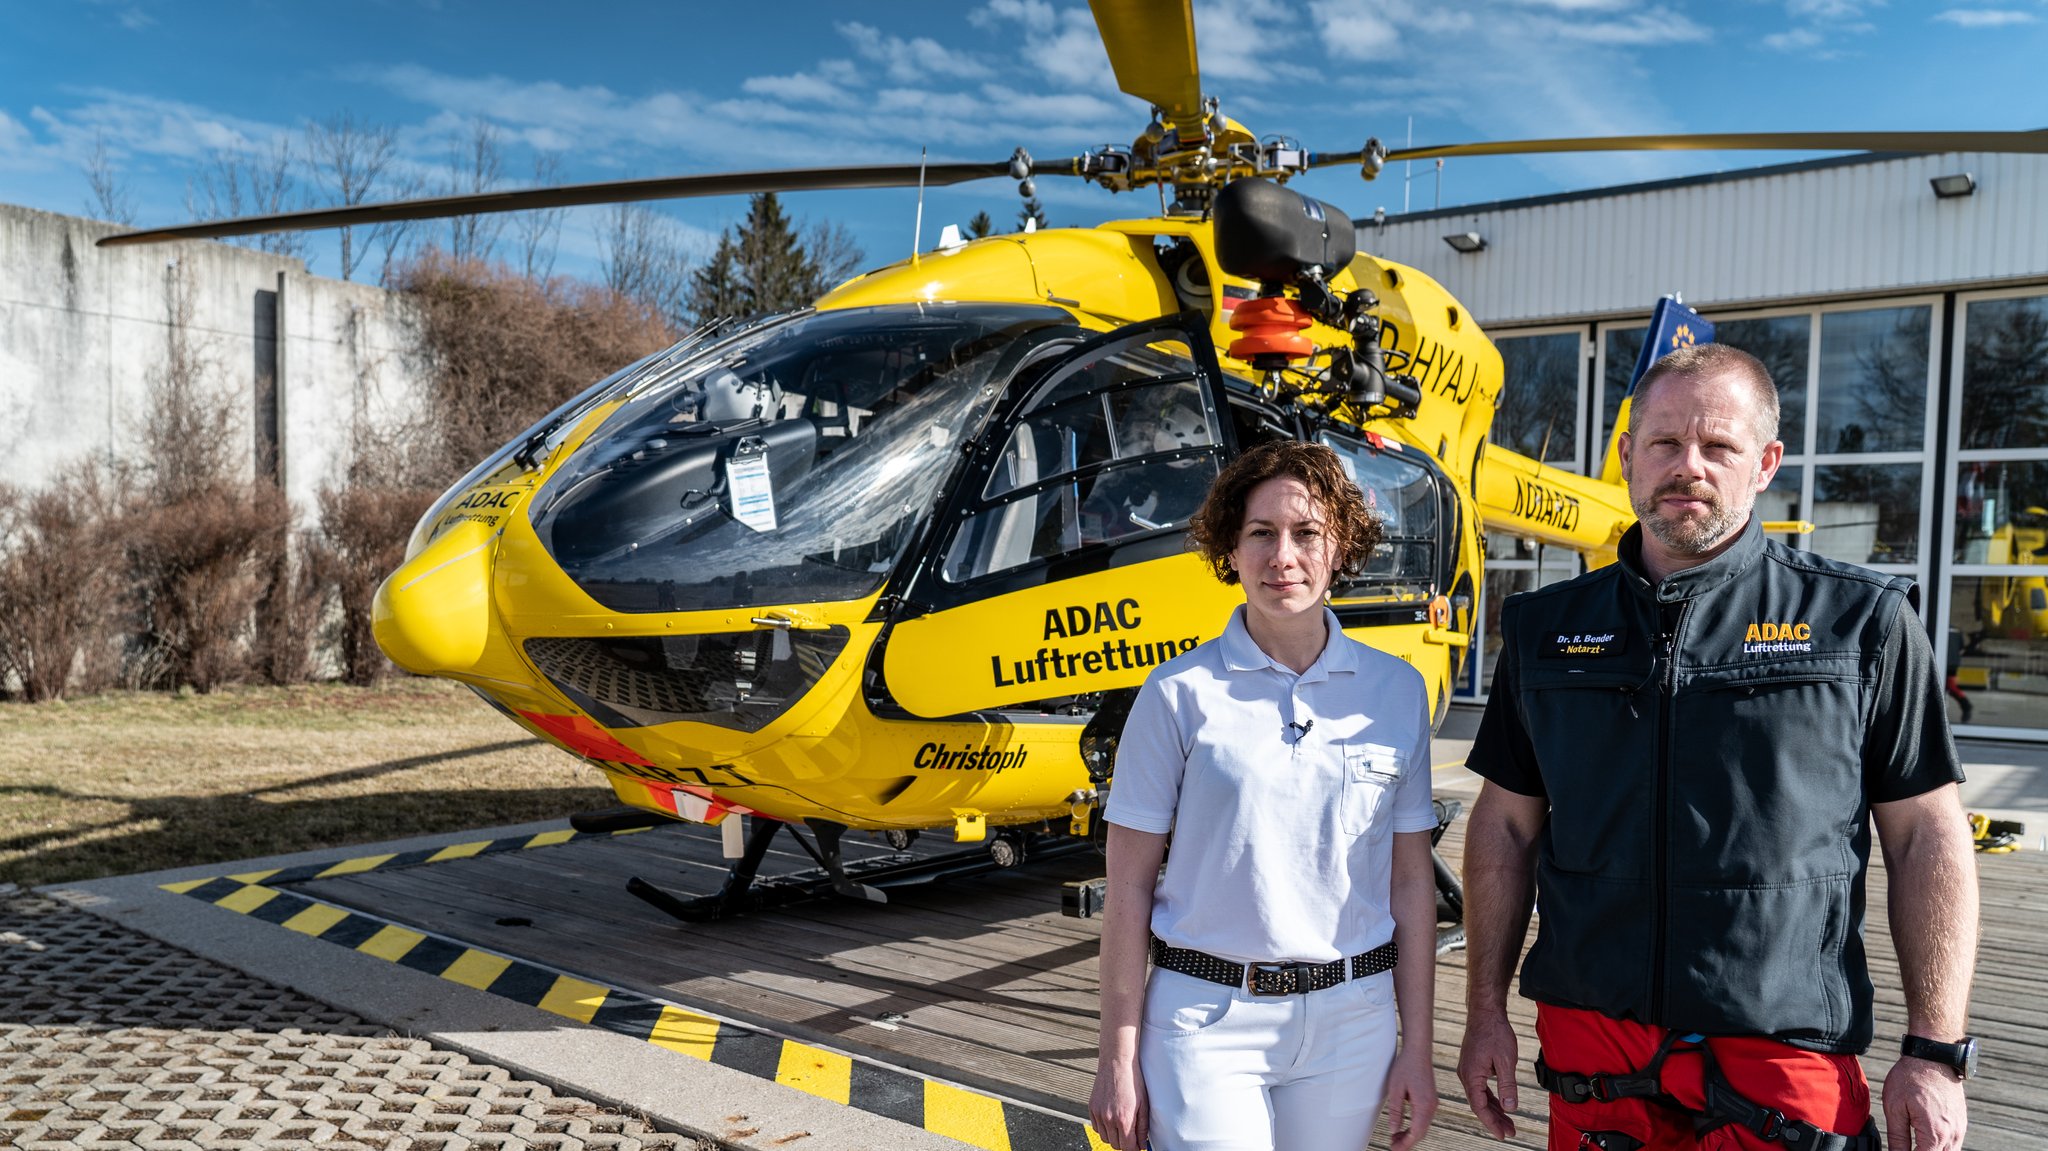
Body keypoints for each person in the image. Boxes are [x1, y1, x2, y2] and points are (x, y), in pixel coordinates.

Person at [1456, 343, 1980, 1151]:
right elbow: (1505, 827)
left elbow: (1928, 837)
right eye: (1663, 442)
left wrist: (1935, 1049)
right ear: (1628, 456)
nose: (1687, 465)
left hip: (1781, 1043)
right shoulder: (1542, 629)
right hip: (1596, 1041)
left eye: (1719, 445)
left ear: (1765, 462)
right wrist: (1484, 1010)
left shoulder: (1861, 623)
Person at [1088, 440, 1440, 1151]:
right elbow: (1126, 887)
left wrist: (1419, 1048)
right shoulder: (1177, 694)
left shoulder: (1397, 692)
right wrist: (1116, 1056)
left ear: (1340, 545)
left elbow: (1410, 883)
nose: (1284, 555)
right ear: (1231, 548)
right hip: (1206, 1021)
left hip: (1354, 1020)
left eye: (1307, 533)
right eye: (1261, 533)